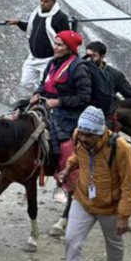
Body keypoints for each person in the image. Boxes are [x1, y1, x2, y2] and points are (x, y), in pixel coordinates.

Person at [51, 106, 131, 261]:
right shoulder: (78, 137)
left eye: (88, 135)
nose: (82, 138)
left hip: (110, 206)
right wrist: (68, 168)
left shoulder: (121, 148)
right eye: (81, 132)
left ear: (99, 133)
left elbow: (129, 184)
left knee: (114, 242)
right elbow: (79, 157)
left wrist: (124, 215)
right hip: (82, 199)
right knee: (71, 241)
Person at [29, 30, 91, 170]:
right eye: (55, 44)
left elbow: (84, 97)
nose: (55, 47)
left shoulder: (79, 68)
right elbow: (44, 84)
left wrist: (59, 102)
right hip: (47, 105)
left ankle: (66, 176)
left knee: (65, 145)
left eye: (60, 45)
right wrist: (37, 93)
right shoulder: (52, 63)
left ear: (69, 48)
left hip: (69, 113)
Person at [5, 0, 72, 91]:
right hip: (33, 57)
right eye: (41, 0)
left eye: (46, 1)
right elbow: (31, 28)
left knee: (48, 86)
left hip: (48, 59)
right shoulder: (37, 13)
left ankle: (43, 100)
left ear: (54, 1)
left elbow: (66, 38)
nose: (42, 4)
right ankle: (40, 96)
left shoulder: (60, 17)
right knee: (25, 83)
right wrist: (18, 23)